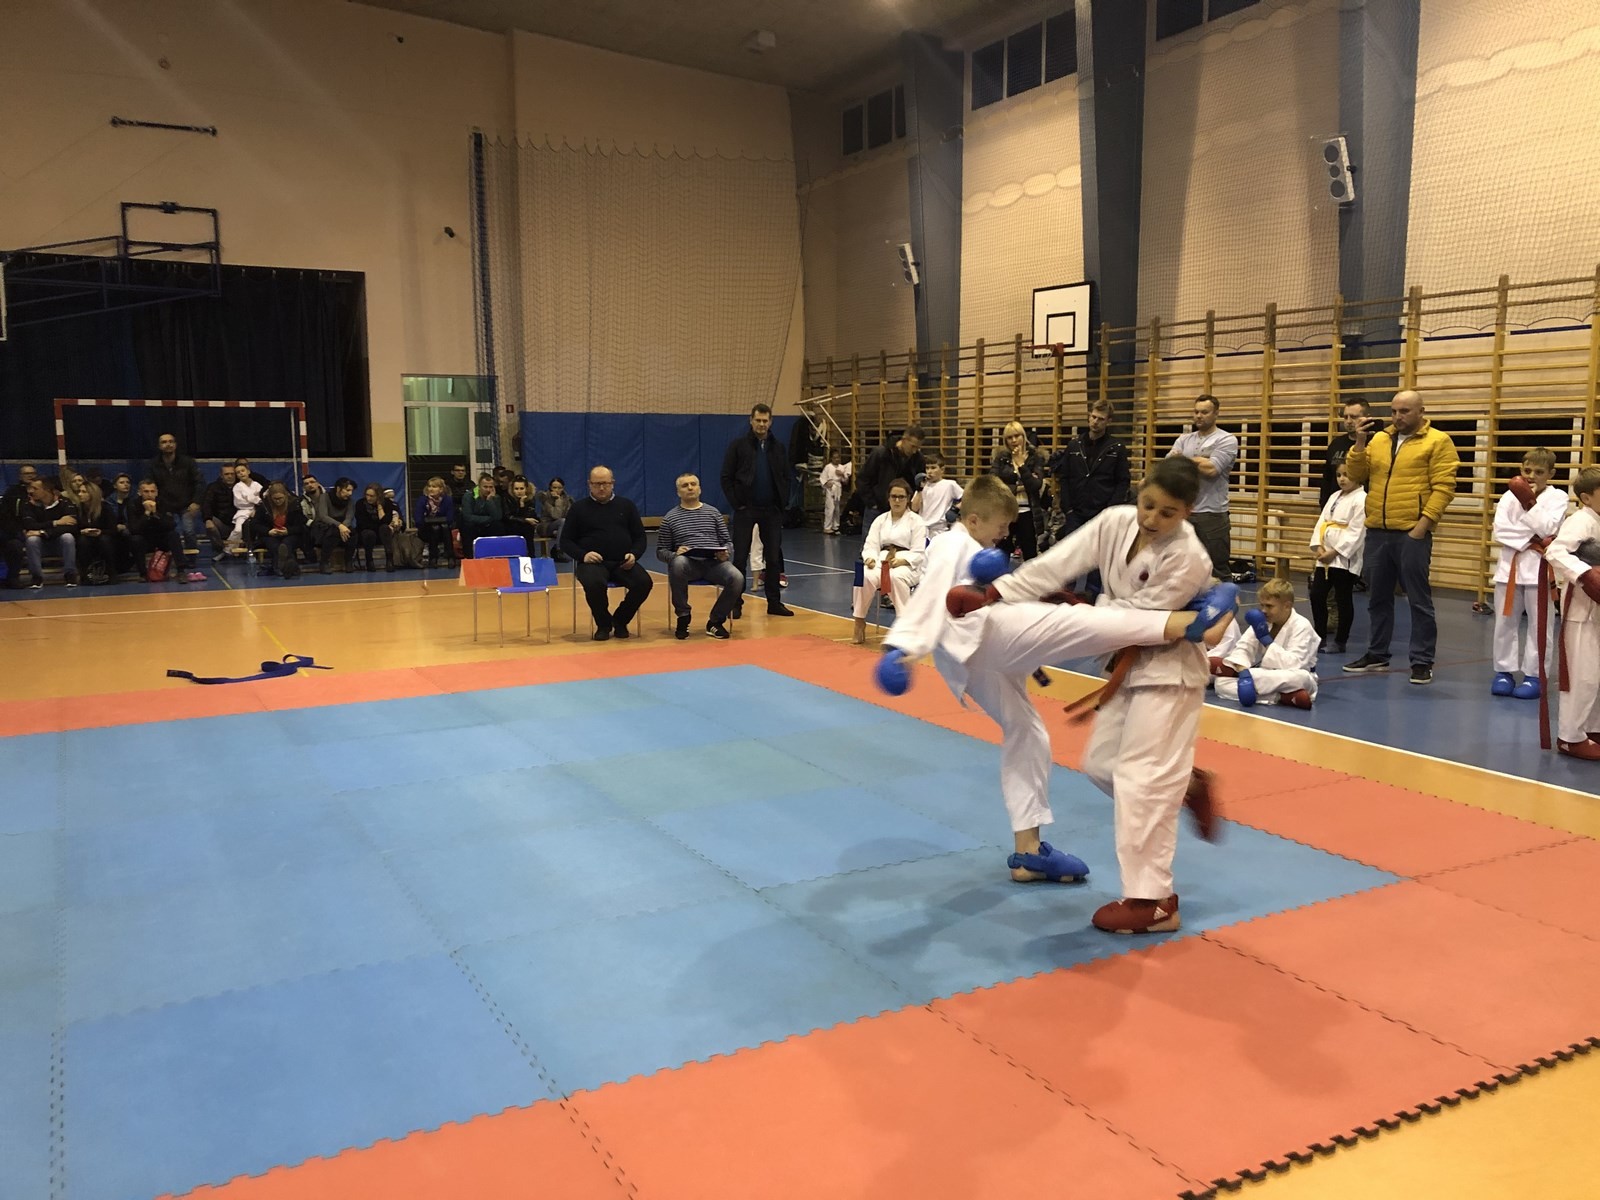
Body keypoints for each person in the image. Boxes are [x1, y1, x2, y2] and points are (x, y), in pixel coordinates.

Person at [879, 468, 1234, 934]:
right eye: (1147, 505)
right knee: (1101, 766)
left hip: (1169, 667)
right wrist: (998, 593)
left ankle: (1154, 901)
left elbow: (1136, 619)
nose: (1151, 518)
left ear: (1187, 512)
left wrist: (1065, 607)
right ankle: (1184, 785)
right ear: (1139, 494)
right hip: (1117, 661)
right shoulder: (1115, 522)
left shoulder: (1188, 556)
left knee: (1140, 779)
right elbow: (1057, 562)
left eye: (1167, 513)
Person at [1341, 389, 1461, 685]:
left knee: (1418, 601)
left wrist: (1422, 526)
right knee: (1377, 599)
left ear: (1421, 411)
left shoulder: (1438, 441)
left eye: (1405, 411)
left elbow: (1444, 488)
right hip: (1377, 532)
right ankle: (1377, 653)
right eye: (1394, 411)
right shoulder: (1379, 440)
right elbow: (1357, 473)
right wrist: (1359, 443)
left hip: (1411, 534)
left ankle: (1422, 661)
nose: (1398, 416)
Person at [1491, 448, 1567, 699]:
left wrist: (1530, 503)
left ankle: (1535, 675)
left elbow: (1549, 529)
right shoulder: (1507, 496)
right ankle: (1503, 672)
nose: (1531, 476)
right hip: (1509, 568)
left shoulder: (1558, 497)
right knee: (1504, 623)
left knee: (1540, 626)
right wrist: (1533, 539)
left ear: (1551, 473)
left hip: (1539, 570)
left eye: (1539, 472)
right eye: (1527, 470)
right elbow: (1500, 531)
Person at [560, 464, 653, 641]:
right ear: (589, 484)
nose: (601, 488)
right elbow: (566, 541)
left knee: (644, 583)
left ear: (613, 483)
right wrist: (583, 555)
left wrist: (634, 554)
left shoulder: (627, 506)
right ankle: (603, 624)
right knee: (594, 583)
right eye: (597, 484)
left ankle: (620, 620)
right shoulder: (578, 508)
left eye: (605, 483)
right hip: (592, 563)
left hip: (622, 562)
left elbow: (640, 537)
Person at [1544, 467, 1600, 759]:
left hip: (1597, 609)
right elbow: (1555, 552)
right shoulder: (1580, 520)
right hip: (1580, 609)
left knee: (1597, 674)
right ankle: (1570, 736)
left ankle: (1593, 728)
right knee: (1582, 675)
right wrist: (1586, 574)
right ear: (1587, 498)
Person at [721, 403, 794, 618]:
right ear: (751, 421)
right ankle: (735, 603)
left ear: (770, 422)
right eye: (758, 420)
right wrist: (737, 503)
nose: (762, 424)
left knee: (773, 558)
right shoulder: (738, 446)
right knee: (740, 558)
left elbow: (785, 476)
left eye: (765, 421)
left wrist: (782, 503)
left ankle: (774, 603)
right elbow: (726, 477)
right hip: (746, 509)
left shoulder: (778, 447)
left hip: (771, 510)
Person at [657, 472, 743, 640]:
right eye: (685, 485)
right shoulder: (670, 518)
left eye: (693, 484)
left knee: (737, 577)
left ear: (699, 489)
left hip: (714, 564)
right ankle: (683, 616)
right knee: (678, 563)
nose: (690, 488)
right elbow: (661, 551)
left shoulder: (714, 513)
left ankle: (715, 621)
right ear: (678, 492)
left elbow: (727, 542)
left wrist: (725, 553)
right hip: (688, 565)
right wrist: (675, 554)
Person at [1212, 579, 1319, 709]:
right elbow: (1243, 648)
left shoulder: (1302, 626)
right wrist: (1243, 671)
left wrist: (1266, 641)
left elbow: (1294, 664)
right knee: (1221, 683)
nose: (1263, 610)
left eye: (1269, 606)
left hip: (1292, 677)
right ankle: (1282, 697)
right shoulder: (1263, 621)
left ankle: (1249, 682)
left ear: (1287, 606)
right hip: (1265, 675)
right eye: (1261, 605)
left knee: (1302, 678)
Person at [1165, 394, 1238, 578]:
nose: (1199, 416)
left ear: (1216, 414)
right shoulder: (1184, 439)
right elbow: (1169, 466)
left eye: (1204, 412)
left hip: (1212, 514)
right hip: (1185, 512)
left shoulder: (1226, 439)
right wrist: (1198, 460)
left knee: (1217, 570)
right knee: (1182, 568)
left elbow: (1212, 469)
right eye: (1196, 412)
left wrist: (1183, 459)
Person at [852, 478, 927, 644]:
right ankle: (859, 621)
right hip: (882, 560)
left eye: (901, 497)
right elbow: (870, 544)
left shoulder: (917, 522)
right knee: (864, 575)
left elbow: (919, 551)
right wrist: (870, 558)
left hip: (907, 565)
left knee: (895, 577)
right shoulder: (880, 520)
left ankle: (904, 625)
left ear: (908, 499)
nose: (897, 500)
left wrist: (902, 560)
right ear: (888, 498)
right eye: (894, 497)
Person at [1050, 399, 1133, 537]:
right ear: (1089, 417)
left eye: (1101, 419)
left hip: (1102, 513)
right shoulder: (1074, 445)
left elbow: (1123, 481)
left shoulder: (1117, 448)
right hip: (1075, 513)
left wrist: (1110, 510)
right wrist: (1068, 508)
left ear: (1108, 421)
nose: (1095, 422)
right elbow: (1064, 478)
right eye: (1093, 417)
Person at [1308, 463, 1367, 653]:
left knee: (1343, 598)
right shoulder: (1334, 496)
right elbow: (1321, 523)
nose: (1342, 479)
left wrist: (1335, 552)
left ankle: (1341, 641)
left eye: (1347, 475)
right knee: (1317, 595)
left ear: (1358, 475)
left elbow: (1357, 531)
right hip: (1324, 555)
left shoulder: (1362, 499)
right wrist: (1319, 547)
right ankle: (1320, 636)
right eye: (1339, 475)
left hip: (1343, 559)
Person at [990, 421, 1047, 561]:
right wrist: (1018, 488)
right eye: (1010, 437)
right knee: (1001, 552)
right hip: (1006, 512)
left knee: (1030, 553)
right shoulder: (1001, 458)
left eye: (1017, 436)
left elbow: (1035, 485)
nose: (1014, 440)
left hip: (1028, 512)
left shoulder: (1035, 457)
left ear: (1023, 436)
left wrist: (1021, 465)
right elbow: (994, 484)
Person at [125, 478, 196, 583]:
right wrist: (146, 514)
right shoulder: (133, 505)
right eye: (146, 491)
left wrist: (156, 514)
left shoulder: (163, 503)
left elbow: (171, 525)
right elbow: (134, 529)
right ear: (139, 492)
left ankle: (181, 571)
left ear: (156, 492)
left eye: (152, 491)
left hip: (161, 539)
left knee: (173, 535)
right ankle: (143, 574)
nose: (149, 495)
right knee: (135, 539)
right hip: (145, 539)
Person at [856, 426, 926, 529]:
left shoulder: (918, 459)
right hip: (877, 509)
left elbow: (918, 483)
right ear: (904, 439)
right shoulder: (881, 453)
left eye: (918, 448)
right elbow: (863, 478)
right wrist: (872, 503)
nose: (915, 451)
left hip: (902, 510)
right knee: (871, 539)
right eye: (913, 446)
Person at [147, 432, 205, 552]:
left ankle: (191, 558)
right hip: (164, 506)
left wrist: (196, 502)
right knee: (171, 533)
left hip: (186, 504)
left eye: (171, 441)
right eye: (164, 442)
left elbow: (199, 482)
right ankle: (171, 558)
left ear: (175, 444)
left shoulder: (188, 462)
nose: (168, 444)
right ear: (159, 446)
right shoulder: (153, 464)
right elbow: (149, 484)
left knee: (189, 531)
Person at [20, 475, 80, 588]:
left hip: (59, 544)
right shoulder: (28, 504)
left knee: (68, 537)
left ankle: (70, 575)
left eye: (35, 488)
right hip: (40, 545)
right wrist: (55, 523)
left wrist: (43, 532)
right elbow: (30, 526)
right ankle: (36, 577)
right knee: (32, 539)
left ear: (47, 490)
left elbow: (71, 526)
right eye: (30, 488)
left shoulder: (65, 502)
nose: (31, 491)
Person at [250, 481, 309, 577]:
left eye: (280, 498)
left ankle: (279, 567)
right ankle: (288, 567)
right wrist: (268, 531)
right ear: (270, 497)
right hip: (270, 534)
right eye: (275, 499)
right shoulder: (264, 506)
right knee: (274, 545)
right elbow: (255, 524)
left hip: (290, 534)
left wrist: (288, 531)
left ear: (286, 496)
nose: (278, 501)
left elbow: (301, 525)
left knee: (286, 544)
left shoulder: (295, 505)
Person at [1320, 399, 1370, 507]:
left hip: (1362, 505)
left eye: (1354, 417)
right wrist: (1324, 505)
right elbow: (1327, 479)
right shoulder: (1336, 444)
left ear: (1366, 418)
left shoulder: (1374, 443)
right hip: (1336, 505)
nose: (1349, 421)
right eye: (1345, 417)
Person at [354, 483, 403, 571]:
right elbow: (362, 523)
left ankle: (389, 560)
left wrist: (380, 507)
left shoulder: (387, 503)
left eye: (372, 496)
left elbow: (386, 521)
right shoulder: (360, 504)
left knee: (384, 528)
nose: (368, 498)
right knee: (369, 533)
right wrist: (379, 524)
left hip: (382, 534)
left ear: (378, 496)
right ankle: (369, 561)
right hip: (366, 533)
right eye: (367, 495)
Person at [912, 453, 962, 538]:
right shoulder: (922, 485)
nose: (929, 471)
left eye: (933, 468)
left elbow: (967, 498)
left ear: (942, 470)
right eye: (927, 468)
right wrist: (919, 489)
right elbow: (914, 508)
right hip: (922, 528)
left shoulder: (949, 484)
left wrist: (955, 509)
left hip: (940, 529)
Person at [414, 476, 457, 568]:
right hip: (426, 530)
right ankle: (433, 558)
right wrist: (432, 522)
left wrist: (433, 520)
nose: (430, 489)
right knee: (435, 528)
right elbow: (418, 519)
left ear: (441, 489)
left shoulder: (447, 500)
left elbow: (450, 518)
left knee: (444, 527)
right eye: (429, 486)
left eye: (434, 487)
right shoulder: (422, 500)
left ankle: (450, 556)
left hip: (444, 530)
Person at [201, 463, 237, 556]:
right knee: (210, 525)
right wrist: (207, 519)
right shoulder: (213, 487)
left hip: (239, 523)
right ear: (221, 475)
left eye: (232, 474)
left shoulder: (241, 486)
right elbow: (206, 504)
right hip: (221, 523)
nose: (230, 476)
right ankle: (220, 550)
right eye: (226, 474)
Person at [535, 477, 572, 560]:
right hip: (545, 526)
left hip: (561, 526)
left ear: (563, 488)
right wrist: (558, 500)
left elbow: (569, 514)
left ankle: (556, 547)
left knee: (567, 525)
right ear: (550, 487)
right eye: (554, 487)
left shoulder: (567, 499)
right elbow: (556, 515)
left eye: (559, 488)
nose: (556, 490)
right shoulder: (545, 498)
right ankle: (559, 550)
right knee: (562, 521)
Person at [229, 459, 262, 550]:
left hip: (257, 511)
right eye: (238, 472)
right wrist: (254, 499)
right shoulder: (237, 487)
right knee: (238, 530)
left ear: (248, 471)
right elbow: (239, 502)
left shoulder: (256, 485)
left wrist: (249, 499)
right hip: (242, 512)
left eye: (243, 471)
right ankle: (228, 549)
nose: (241, 473)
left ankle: (253, 549)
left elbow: (262, 498)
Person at [820, 450, 851, 535]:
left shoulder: (841, 467)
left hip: (838, 488)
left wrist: (842, 474)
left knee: (837, 509)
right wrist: (826, 483)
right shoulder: (828, 467)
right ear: (831, 458)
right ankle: (827, 527)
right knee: (830, 508)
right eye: (835, 458)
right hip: (830, 488)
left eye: (838, 457)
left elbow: (845, 481)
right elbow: (822, 478)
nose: (837, 459)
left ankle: (836, 526)